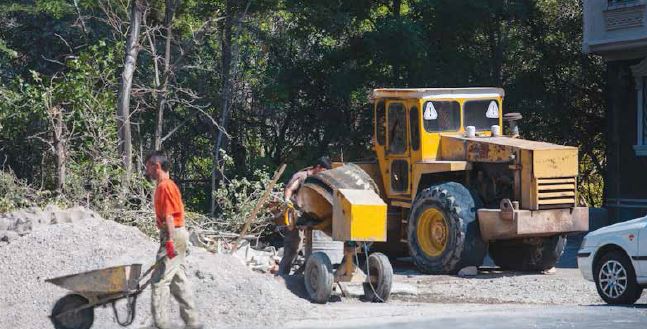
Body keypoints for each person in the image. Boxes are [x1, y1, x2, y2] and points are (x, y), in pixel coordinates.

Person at [144, 151, 203, 329]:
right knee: (178, 280)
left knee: (159, 281)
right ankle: (193, 322)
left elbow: (169, 215)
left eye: (148, 167)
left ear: (157, 166)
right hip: (176, 234)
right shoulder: (165, 186)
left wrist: (169, 241)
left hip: (173, 234)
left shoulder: (165, 186)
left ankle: (160, 325)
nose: (147, 171)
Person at [278, 156, 332, 275]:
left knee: (305, 249)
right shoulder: (302, 176)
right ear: (318, 167)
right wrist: (287, 201)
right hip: (295, 216)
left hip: (306, 217)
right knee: (293, 247)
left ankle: (299, 274)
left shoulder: (317, 180)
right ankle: (282, 275)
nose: (325, 174)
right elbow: (289, 188)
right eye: (324, 171)